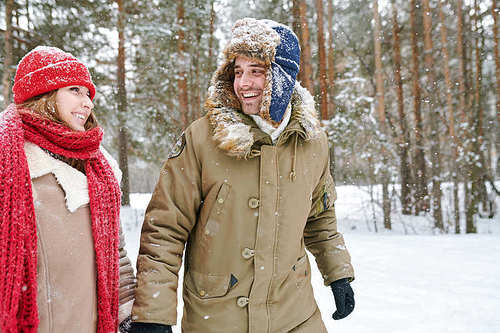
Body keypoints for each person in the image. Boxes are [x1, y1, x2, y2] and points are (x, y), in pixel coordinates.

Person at [130, 18, 355, 333]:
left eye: (257, 72)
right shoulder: (201, 139)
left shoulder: (311, 142)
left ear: (283, 77)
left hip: (295, 315)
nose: (243, 83)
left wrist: (338, 273)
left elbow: (320, 219)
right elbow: (164, 230)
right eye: (238, 72)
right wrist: (154, 313)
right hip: (217, 319)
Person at [0, 46, 136, 333]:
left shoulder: (101, 169)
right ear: (43, 95)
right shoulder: (10, 163)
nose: (87, 102)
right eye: (75, 90)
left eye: (88, 94)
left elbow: (117, 254)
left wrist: (129, 318)